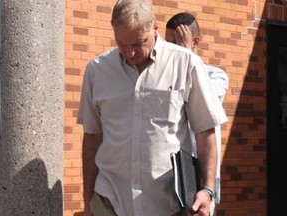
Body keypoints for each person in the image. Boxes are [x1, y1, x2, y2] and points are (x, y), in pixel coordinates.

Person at [77, 0, 228, 215]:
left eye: (138, 43)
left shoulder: (186, 63)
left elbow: (205, 131)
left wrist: (207, 189)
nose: (129, 52)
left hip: (169, 203)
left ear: (155, 28)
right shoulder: (97, 70)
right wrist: (88, 200)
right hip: (110, 199)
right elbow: (92, 136)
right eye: (122, 44)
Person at [165, 12, 229, 216]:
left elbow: (206, 96)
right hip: (170, 174)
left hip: (202, 174)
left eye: (176, 43)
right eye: (167, 44)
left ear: (196, 41)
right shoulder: (163, 76)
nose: (171, 50)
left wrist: (187, 56)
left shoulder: (215, 75)